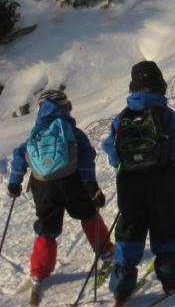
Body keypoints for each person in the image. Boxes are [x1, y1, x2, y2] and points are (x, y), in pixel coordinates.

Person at [8, 90, 114, 304]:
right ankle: (106, 253)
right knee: (88, 215)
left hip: (42, 186)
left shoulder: (36, 131)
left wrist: (15, 181)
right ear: (66, 107)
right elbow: (86, 157)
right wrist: (90, 184)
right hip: (71, 183)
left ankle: (39, 272)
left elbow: (20, 154)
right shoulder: (71, 131)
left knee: (47, 228)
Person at [102, 61, 175, 304]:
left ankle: (121, 289)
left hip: (129, 184)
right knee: (167, 227)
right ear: (159, 84)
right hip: (164, 181)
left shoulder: (122, 117)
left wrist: (125, 166)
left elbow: (111, 151)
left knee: (130, 228)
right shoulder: (166, 115)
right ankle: (171, 282)